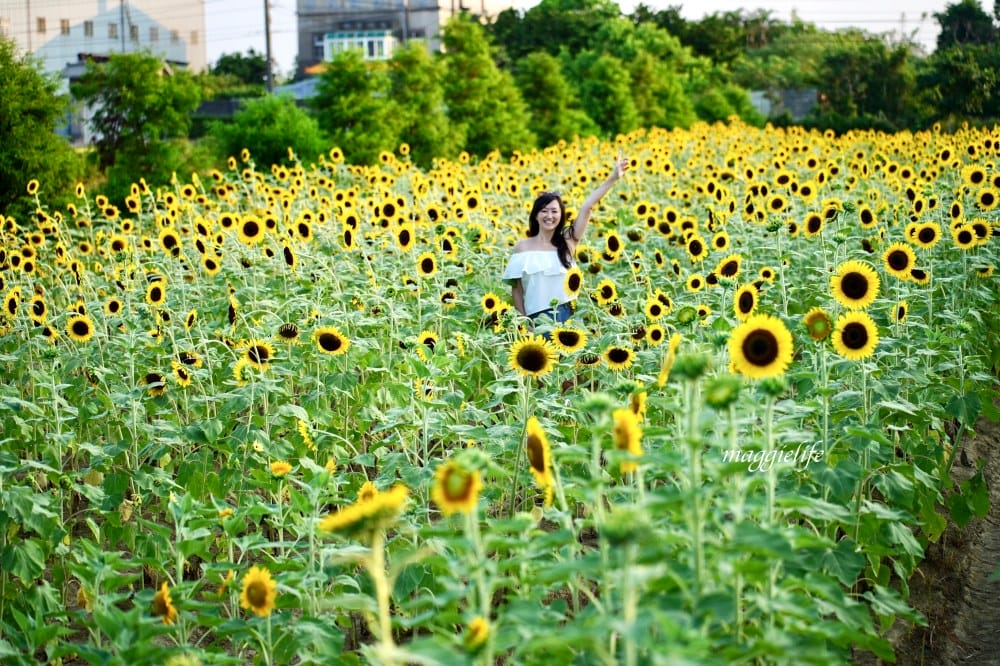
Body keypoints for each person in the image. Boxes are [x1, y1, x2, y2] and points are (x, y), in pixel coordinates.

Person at [503, 152, 630, 327]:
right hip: (535, 320)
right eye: (544, 211)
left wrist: (613, 178)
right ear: (536, 215)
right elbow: (516, 289)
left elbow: (588, 206)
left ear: (561, 215)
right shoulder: (522, 248)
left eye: (554, 211)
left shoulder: (568, 241)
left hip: (568, 317)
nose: (549, 216)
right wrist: (524, 323)